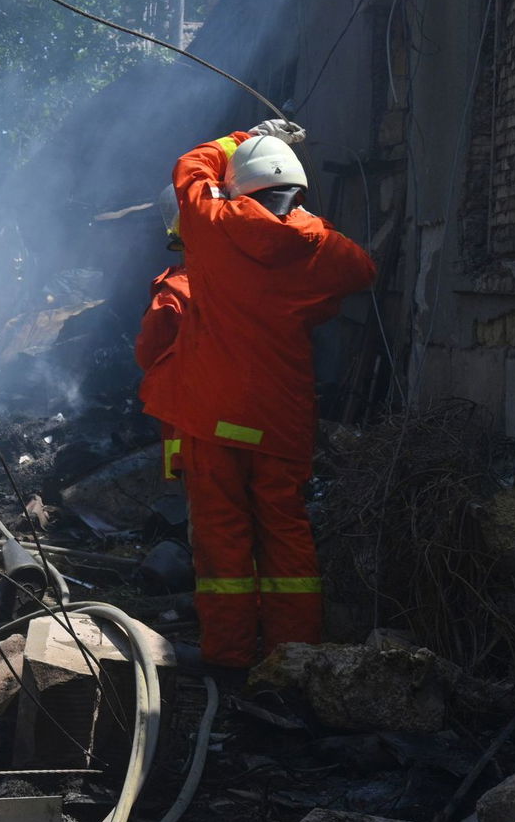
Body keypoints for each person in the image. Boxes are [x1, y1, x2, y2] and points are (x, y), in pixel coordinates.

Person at [144, 119, 375, 673]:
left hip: (213, 413)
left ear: (238, 188)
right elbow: (363, 271)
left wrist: (243, 138)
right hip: (280, 418)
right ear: (297, 191)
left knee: (222, 535)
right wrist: (306, 273)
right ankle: (294, 655)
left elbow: (189, 166)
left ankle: (227, 653)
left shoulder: (213, 222)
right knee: (286, 531)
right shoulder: (320, 245)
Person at [135, 184, 190, 483]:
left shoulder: (177, 292)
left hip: (197, 428)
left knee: (214, 515)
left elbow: (148, 352)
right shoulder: (262, 281)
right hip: (273, 426)